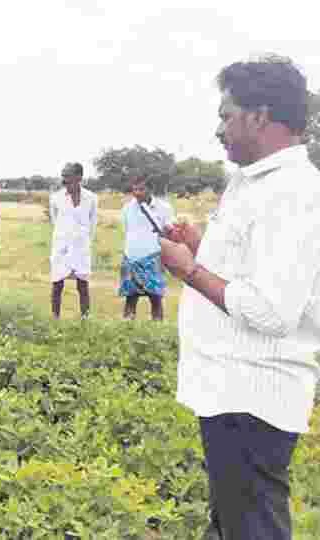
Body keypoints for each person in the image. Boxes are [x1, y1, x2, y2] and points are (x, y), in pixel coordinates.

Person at [159, 55, 320, 540]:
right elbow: (251, 272)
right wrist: (199, 251)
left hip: (253, 396)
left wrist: (189, 272)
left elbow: (272, 309)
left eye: (226, 115)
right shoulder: (254, 184)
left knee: (251, 527)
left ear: (260, 116)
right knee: (232, 523)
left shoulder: (292, 192)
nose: (219, 128)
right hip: (233, 390)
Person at [118, 174, 173, 321]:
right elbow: (126, 230)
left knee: (156, 298)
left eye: (141, 189)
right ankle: (128, 330)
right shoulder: (127, 209)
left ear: (151, 189)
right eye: (134, 189)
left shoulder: (164, 208)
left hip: (154, 257)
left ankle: (157, 332)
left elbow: (168, 232)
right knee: (130, 298)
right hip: (131, 257)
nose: (137, 193)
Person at [49, 163, 97, 319]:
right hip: (61, 246)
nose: (64, 180)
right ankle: (55, 318)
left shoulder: (91, 198)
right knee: (57, 284)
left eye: (67, 176)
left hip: (81, 247)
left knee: (83, 285)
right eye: (62, 176)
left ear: (79, 177)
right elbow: (55, 221)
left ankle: (85, 319)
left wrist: (82, 239)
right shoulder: (56, 198)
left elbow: (92, 224)